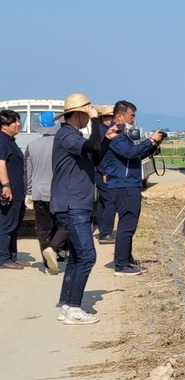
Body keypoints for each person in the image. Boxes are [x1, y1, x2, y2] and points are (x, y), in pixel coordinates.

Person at [50, 93, 118, 325]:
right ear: (79, 114)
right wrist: (98, 122)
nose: (91, 118)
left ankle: (67, 305)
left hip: (76, 203)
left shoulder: (74, 136)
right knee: (88, 256)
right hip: (72, 203)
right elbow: (93, 144)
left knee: (77, 257)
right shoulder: (67, 135)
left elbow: (96, 155)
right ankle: (74, 308)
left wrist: (106, 137)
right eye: (88, 115)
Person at [105, 100, 163, 276]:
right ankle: (121, 265)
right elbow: (129, 153)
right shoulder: (117, 136)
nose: (133, 119)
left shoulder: (125, 137)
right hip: (124, 185)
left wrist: (153, 145)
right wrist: (149, 140)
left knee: (129, 224)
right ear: (120, 116)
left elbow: (135, 156)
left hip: (129, 184)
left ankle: (127, 260)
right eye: (132, 116)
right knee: (127, 225)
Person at [24, 111, 66, 274]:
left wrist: (28, 192)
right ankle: (56, 251)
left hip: (39, 192)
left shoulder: (32, 145)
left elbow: (27, 171)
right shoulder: (62, 144)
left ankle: (47, 262)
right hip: (59, 191)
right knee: (63, 224)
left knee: (43, 228)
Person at [0, 110, 26, 270]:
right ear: (4, 125)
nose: (18, 124)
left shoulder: (10, 141)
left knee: (14, 225)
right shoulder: (2, 141)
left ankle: (12, 257)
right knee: (6, 224)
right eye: (15, 121)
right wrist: (6, 186)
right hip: (8, 191)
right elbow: (0, 164)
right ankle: (3, 258)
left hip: (17, 192)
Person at [94, 105, 117, 244]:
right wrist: (104, 171)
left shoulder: (103, 130)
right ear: (104, 118)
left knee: (103, 201)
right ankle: (106, 233)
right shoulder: (103, 132)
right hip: (102, 170)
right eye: (110, 117)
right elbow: (101, 154)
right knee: (110, 201)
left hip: (101, 170)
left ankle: (103, 229)